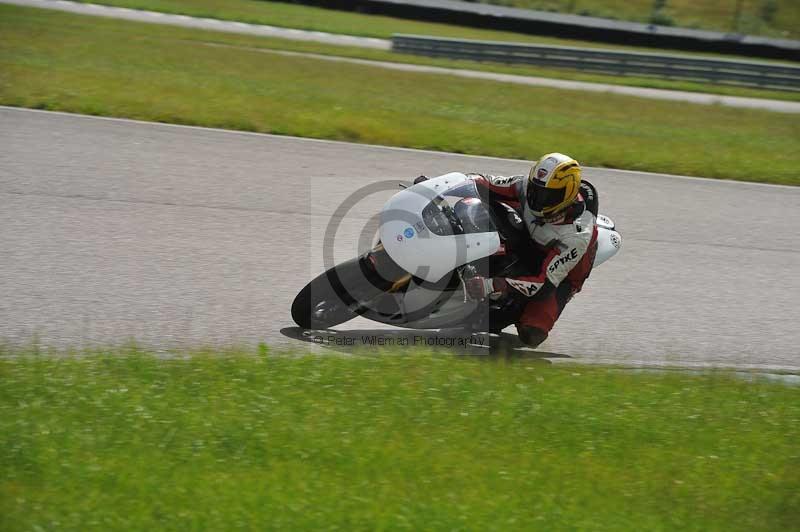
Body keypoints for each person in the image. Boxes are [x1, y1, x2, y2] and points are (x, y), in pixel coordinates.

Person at [461, 153, 599, 348]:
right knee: (479, 209)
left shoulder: (576, 236)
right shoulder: (526, 185)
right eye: (536, 190)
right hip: (530, 235)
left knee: (532, 333)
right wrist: (439, 187)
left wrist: (491, 285)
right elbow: (484, 182)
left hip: (559, 276)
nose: (538, 199)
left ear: (566, 195)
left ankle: (509, 310)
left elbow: (544, 285)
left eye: (549, 195)